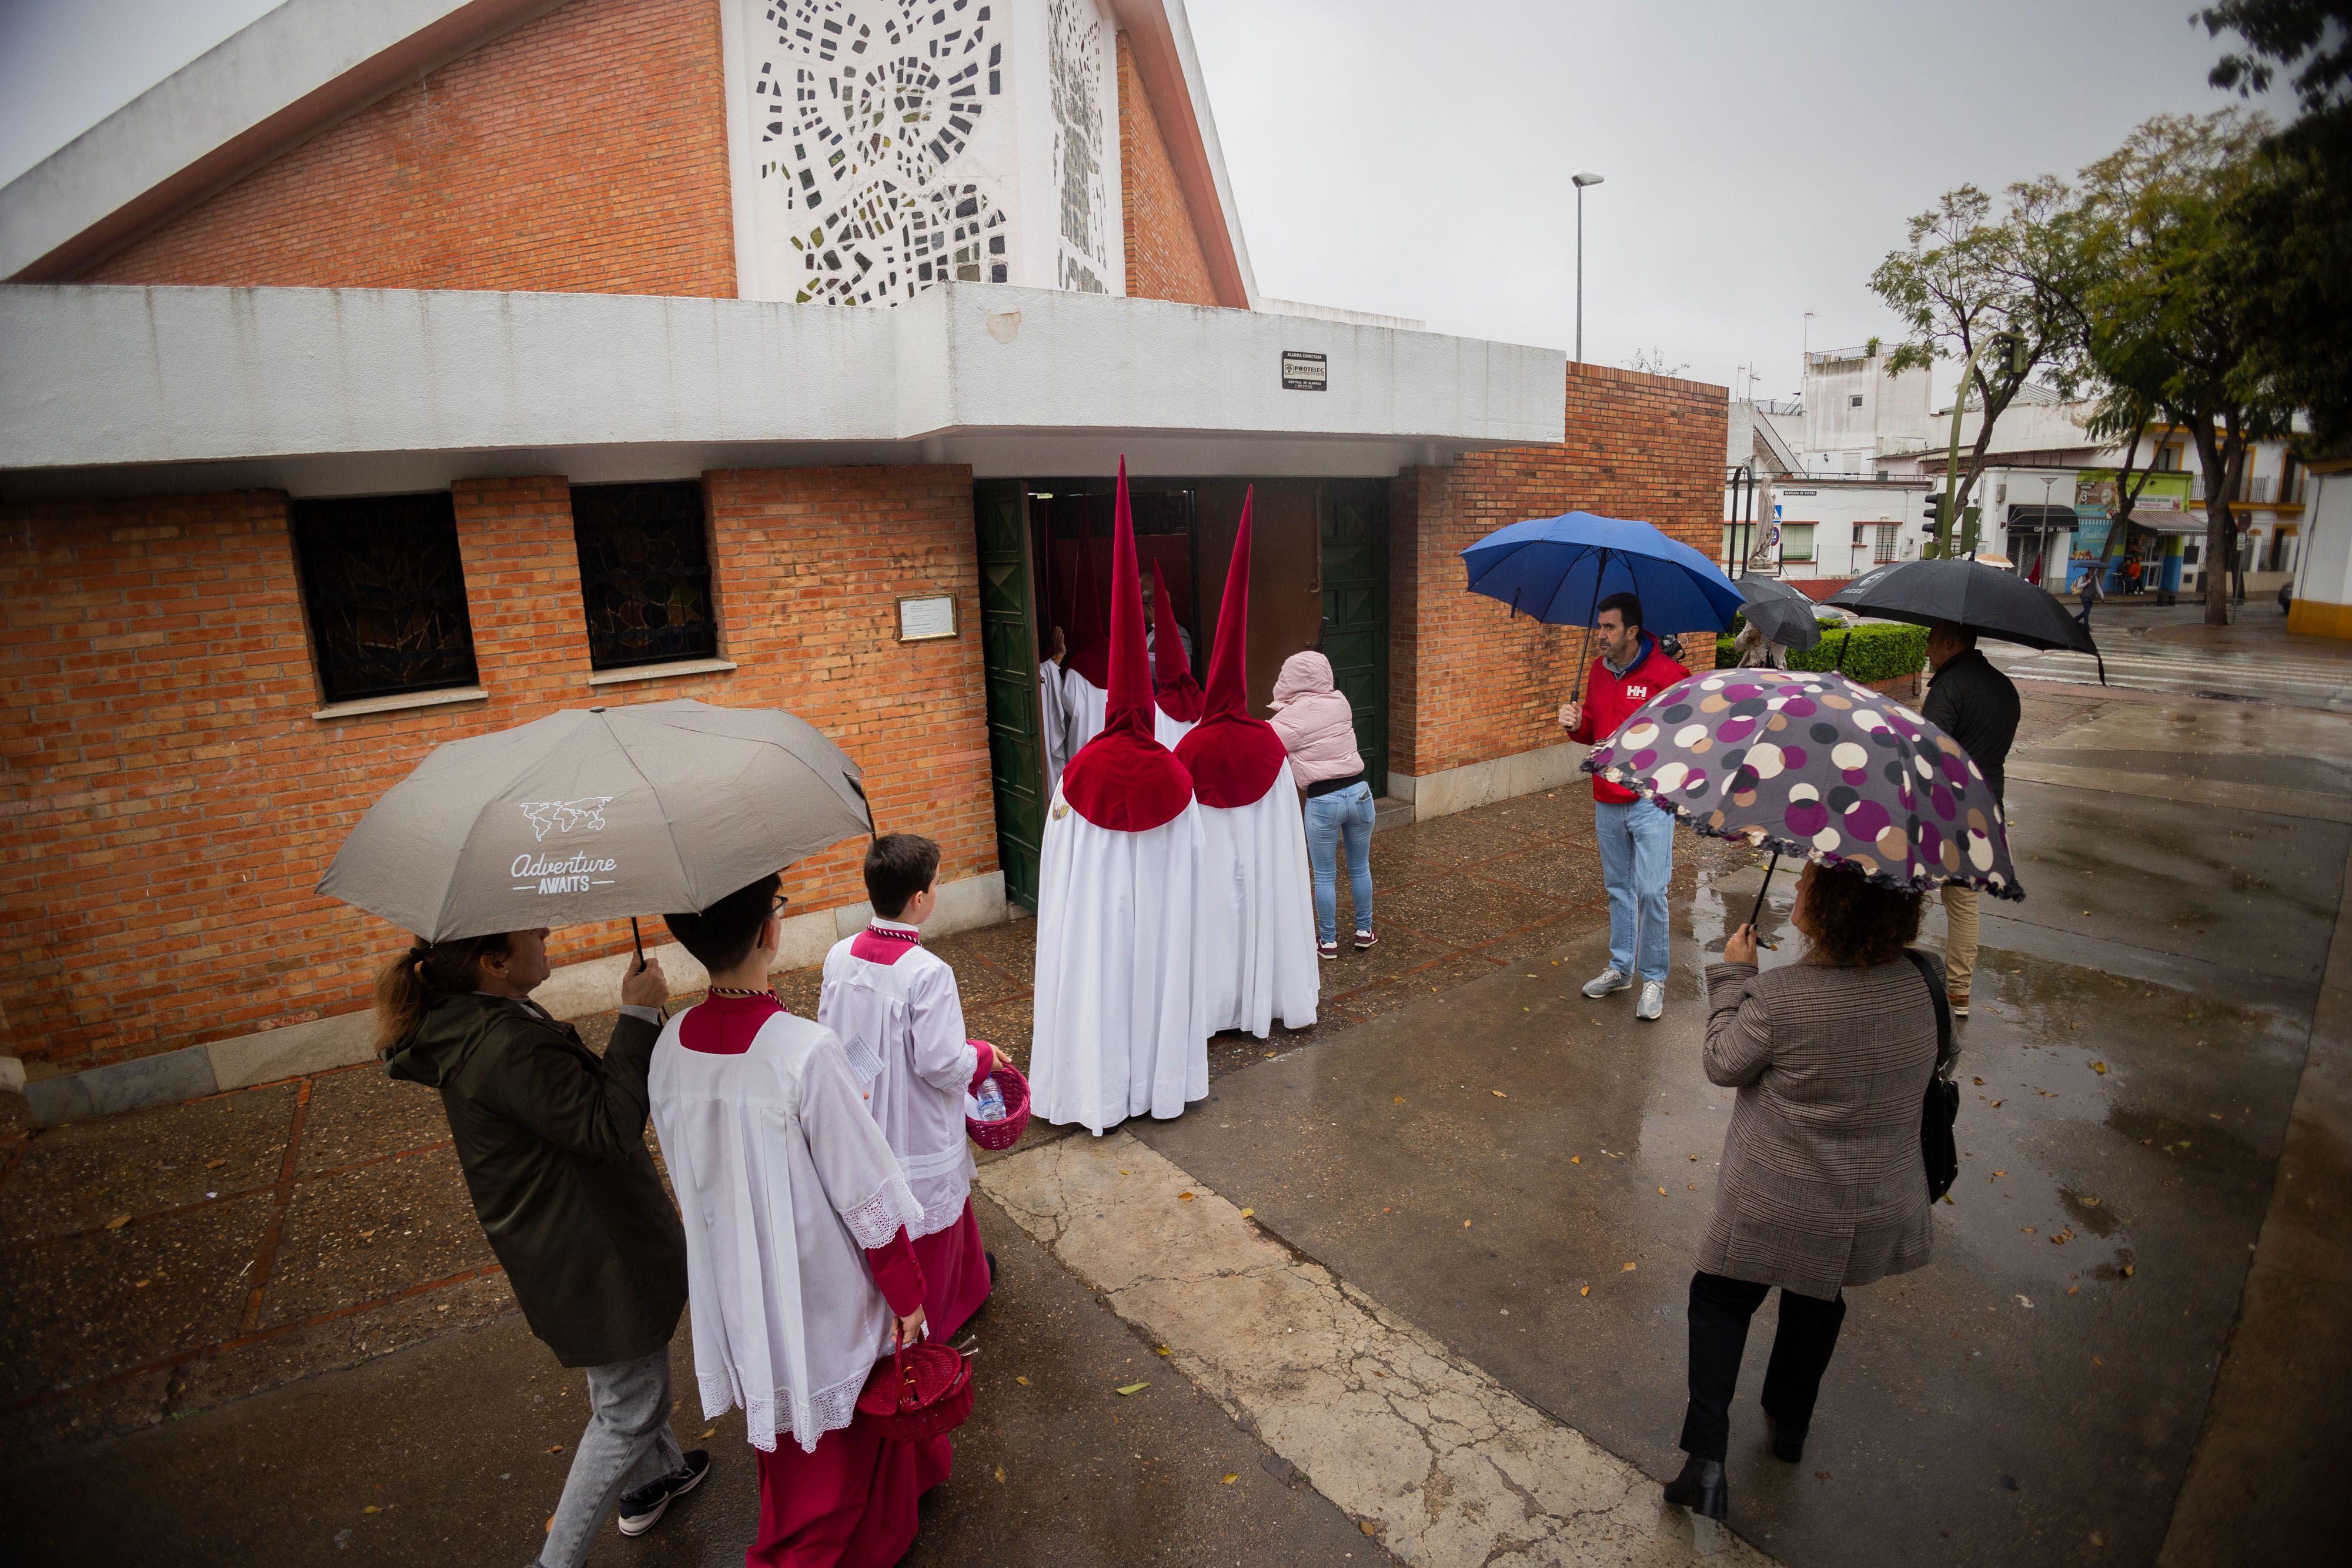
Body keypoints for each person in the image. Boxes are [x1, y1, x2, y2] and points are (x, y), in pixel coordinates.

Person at [377, 931, 704, 1567]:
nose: (547, 933)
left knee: (623, 1375)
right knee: (630, 1406)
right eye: (532, 933)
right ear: (493, 963)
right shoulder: (502, 1043)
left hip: (567, 1238)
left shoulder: (485, 1018)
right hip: (587, 1248)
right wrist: (636, 1016)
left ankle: (647, 1484)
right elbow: (606, 1126)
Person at [650, 874, 950, 1567]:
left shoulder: (668, 1048)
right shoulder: (804, 1052)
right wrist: (905, 1294)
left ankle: (884, 1518)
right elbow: (866, 1197)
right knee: (836, 1444)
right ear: (768, 931)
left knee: (788, 1413)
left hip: (734, 1270)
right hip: (815, 1277)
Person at [1665, 862, 1942, 1521]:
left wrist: (1734, 977)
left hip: (1771, 1203)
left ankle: (1705, 1461)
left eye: (1812, 879)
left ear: (1836, 905)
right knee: (1818, 1297)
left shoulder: (1783, 997)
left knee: (1719, 1300)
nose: (1800, 885)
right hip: (1861, 1209)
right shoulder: (1922, 985)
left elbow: (1721, 1062)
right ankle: (1788, 1427)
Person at [1030, 459, 1210, 1135]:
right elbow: (1194, 857)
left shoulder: (1078, 777)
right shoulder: (1173, 773)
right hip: (1159, 915)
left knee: (1099, 979)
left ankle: (1096, 1087)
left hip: (1097, 915)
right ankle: (1161, 1080)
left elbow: (1058, 865)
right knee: (1155, 977)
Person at [818, 833, 1010, 1343]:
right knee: (927, 1218)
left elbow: (829, 1030)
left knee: (895, 1217)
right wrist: (985, 1055)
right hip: (913, 1117)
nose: (937, 891)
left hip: (861, 1105)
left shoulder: (838, 957)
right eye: (937, 884)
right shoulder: (928, 973)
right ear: (919, 899)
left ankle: (972, 1282)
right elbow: (942, 1063)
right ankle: (933, 1323)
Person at [1175, 492, 1320, 1034]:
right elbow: (1286, 830)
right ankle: (1269, 995)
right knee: (1261, 902)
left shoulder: (1189, 748)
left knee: (1214, 919)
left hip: (1210, 866)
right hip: (1259, 863)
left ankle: (1216, 1008)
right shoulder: (1266, 742)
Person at [1559, 591, 1690, 1021]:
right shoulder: (1598, 671)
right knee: (1618, 888)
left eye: (1609, 627)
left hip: (1651, 800)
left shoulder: (1668, 675)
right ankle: (1621, 968)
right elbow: (1596, 727)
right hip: (1606, 798)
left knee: (1652, 890)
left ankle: (1653, 978)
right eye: (1599, 626)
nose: (1601, 634)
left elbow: (1686, 738)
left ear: (1632, 631)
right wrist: (1578, 726)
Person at [1921, 618, 2020, 1019]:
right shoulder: (2004, 687)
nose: (1927, 651)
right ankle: (1959, 991)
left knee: (1903, 885)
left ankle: (1887, 974)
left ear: (1948, 641)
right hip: (1987, 804)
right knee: (1963, 901)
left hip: (1945, 807)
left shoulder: (1949, 687)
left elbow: (1928, 750)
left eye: (1931, 641)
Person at [1271, 648, 1375, 958]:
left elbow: (1267, 744)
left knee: (1326, 875)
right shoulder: (1341, 702)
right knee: (1359, 868)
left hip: (1323, 800)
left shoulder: (1287, 719)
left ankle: (1328, 942)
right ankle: (1364, 931)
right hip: (1360, 793)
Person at [1148, 560, 1203, 748]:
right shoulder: (1145, 634)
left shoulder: (1180, 634)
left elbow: (1183, 666)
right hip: (1154, 699)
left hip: (1167, 700)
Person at [2076, 561, 2104, 630]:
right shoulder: (2083, 577)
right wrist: (2086, 583)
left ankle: (2076, 619)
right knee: (2087, 610)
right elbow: (2078, 586)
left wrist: (2102, 595)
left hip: (2091, 597)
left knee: (2087, 611)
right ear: (2089, 570)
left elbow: (2097, 587)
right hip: (2084, 596)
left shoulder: (2095, 578)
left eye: (2094, 570)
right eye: (2092, 570)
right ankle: (2086, 626)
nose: (2093, 571)